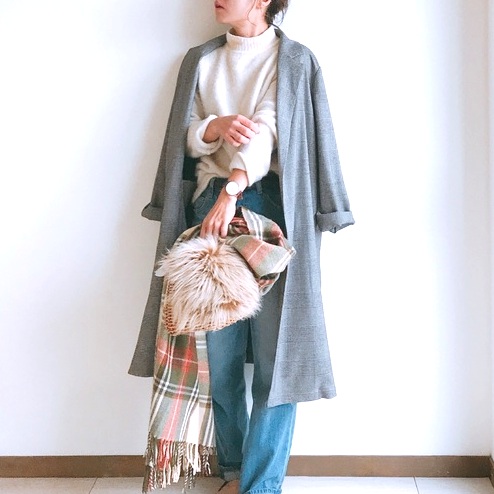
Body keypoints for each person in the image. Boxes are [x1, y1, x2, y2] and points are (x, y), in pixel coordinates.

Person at [129, 1, 355, 493]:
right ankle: (233, 473)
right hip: (208, 208)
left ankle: (261, 485)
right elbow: (184, 137)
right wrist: (213, 127)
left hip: (272, 209)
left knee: (278, 359)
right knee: (219, 359)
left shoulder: (293, 59)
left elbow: (270, 127)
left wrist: (233, 190)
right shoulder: (200, 59)